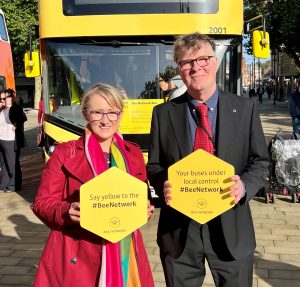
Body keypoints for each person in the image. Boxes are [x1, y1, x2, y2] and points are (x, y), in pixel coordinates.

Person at [147, 33, 269, 287]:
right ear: (179, 69)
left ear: (215, 62)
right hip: (180, 232)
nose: (195, 67)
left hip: (231, 228)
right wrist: (163, 183)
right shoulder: (162, 113)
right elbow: (154, 165)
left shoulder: (245, 108)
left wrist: (244, 186)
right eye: (186, 62)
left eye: (203, 59)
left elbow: (260, 161)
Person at [31, 83, 155, 287]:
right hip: (78, 252)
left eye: (112, 112)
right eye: (97, 112)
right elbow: (41, 203)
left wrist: (145, 209)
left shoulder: (133, 155)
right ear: (86, 114)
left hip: (125, 252)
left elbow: (141, 197)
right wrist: (66, 211)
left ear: (120, 115)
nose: (105, 120)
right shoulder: (65, 153)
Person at [7, 89, 27, 191]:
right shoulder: (4, 108)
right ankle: (9, 182)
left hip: (15, 140)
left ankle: (16, 184)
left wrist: (16, 124)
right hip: (6, 139)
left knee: (15, 162)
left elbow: (23, 119)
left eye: (8, 97)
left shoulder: (16, 108)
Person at [0, 90, 16, 192]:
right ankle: (4, 184)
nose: (2, 101)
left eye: (4, 98)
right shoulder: (2, 109)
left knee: (11, 164)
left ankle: (12, 185)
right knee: (3, 163)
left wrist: (17, 125)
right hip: (1, 139)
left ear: (10, 98)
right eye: (0, 99)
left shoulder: (14, 109)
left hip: (9, 139)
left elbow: (22, 118)